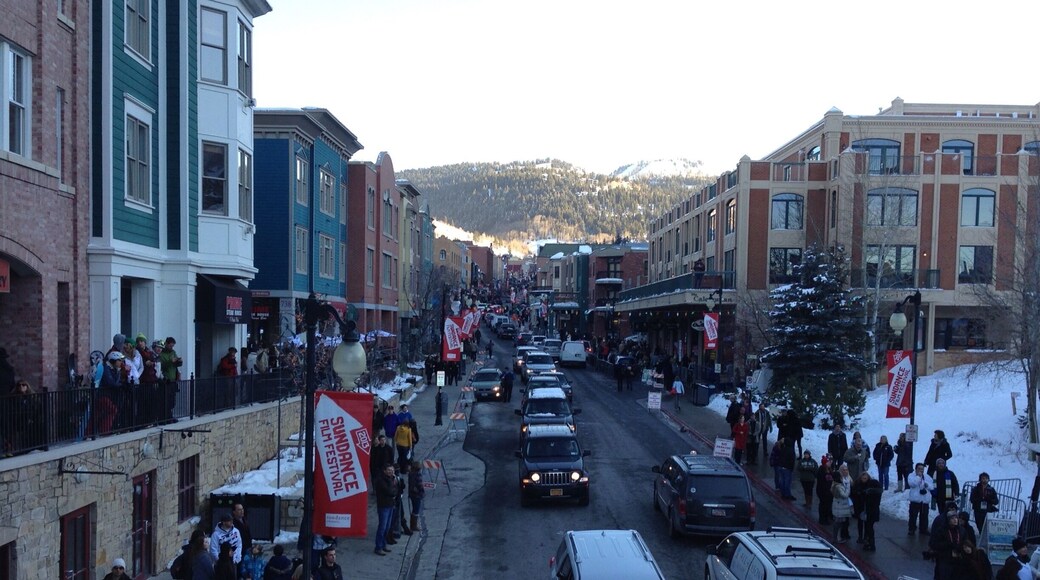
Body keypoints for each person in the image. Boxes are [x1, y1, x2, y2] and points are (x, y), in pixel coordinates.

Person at [374, 463, 397, 555]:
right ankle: (378, 547)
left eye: (392, 470)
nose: (391, 472)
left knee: (387, 527)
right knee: (382, 527)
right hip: (383, 505)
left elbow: (396, 489)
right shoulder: (381, 480)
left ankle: (383, 545)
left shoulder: (391, 479)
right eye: (389, 470)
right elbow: (391, 491)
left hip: (390, 505)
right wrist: (394, 489)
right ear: (384, 471)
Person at [908, 462, 936, 535]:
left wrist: (927, 485)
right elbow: (912, 484)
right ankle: (912, 529)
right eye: (919, 469)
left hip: (924, 500)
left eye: (922, 469)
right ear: (916, 469)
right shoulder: (911, 475)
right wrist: (918, 477)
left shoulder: (927, 477)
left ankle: (923, 529)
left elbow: (932, 487)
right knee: (913, 516)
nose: (921, 470)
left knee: (924, 516)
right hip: (915, 500)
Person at [831, 464, 852, 544]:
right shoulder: (838, 484)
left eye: (846, 470)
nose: (845, 471)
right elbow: (845, 495)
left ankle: (838, 537)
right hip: (840, 505)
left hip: (843, 506)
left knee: (841, 522)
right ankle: (836, 538)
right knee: (838, 523)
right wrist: (848, 489)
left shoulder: (848, 479)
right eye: (843, 470)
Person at [815, 455, 834, 524]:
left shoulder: (829, 470)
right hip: (823, 492)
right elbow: (822, 482)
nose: (830, 463)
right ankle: (822, 519)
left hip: (829, 492)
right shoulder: (821, 470)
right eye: (828, 462)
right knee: (823, 506)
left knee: (828, 506)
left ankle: (826, 518)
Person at [408, 458, 425, 534]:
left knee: (415, 510)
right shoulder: (417, 474)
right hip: (416, 495)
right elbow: (419, 485)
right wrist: (421, 492)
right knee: (416, 510)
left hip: (412, 494)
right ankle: (413, 525)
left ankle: (413, 524)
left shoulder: (411, 474)